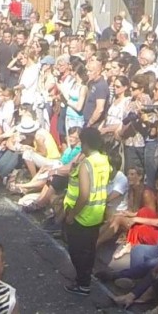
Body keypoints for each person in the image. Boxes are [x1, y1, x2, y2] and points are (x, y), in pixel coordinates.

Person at [61, 127, 111, 296]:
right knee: (89, 250)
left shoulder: (86, 165)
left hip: (82, 216)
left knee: (76, 250)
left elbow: (84, 194)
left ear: (86, 143)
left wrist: (72, 215)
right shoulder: (104, 160)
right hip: (97, 214)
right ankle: (85, 282)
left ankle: (82, 282)